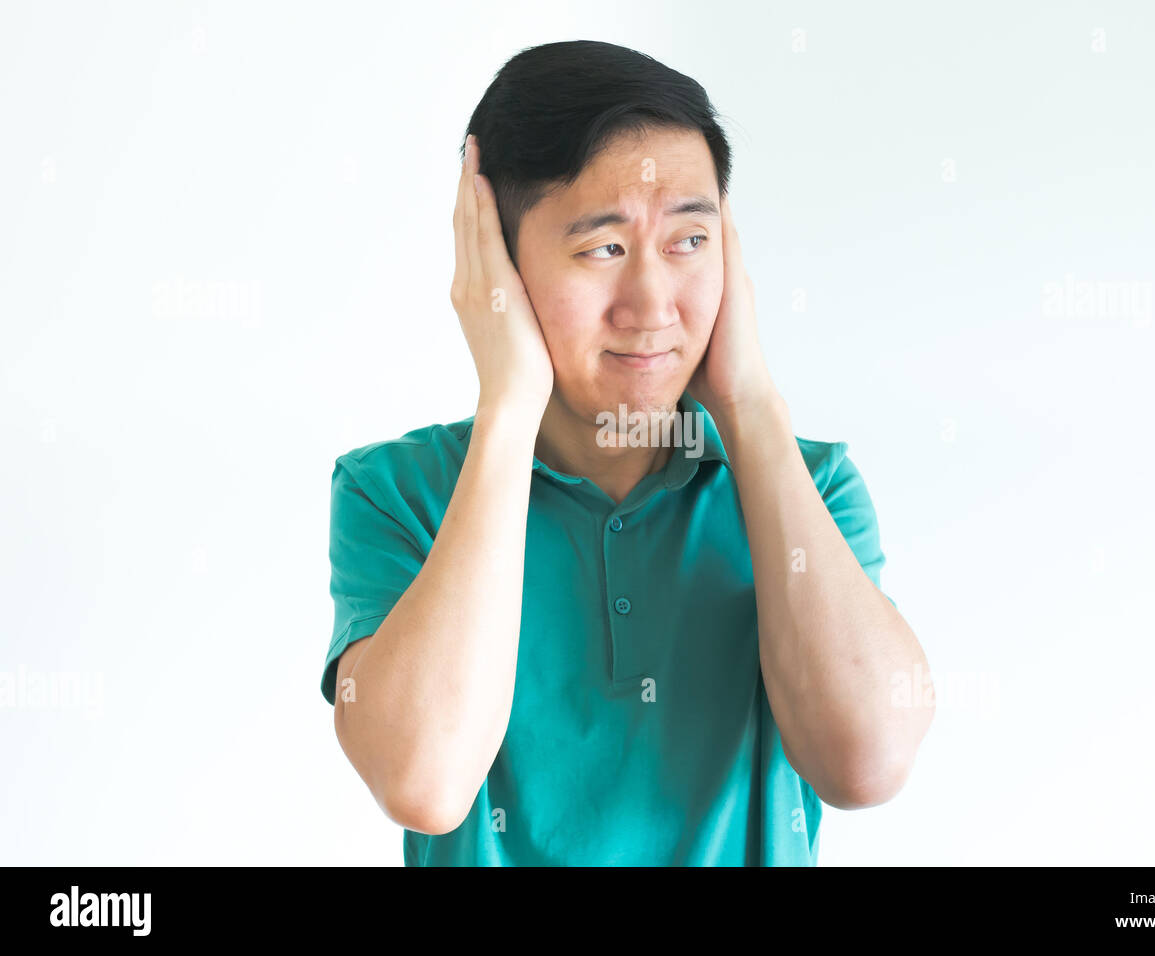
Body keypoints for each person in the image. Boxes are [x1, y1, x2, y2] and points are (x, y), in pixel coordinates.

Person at [320, 39, 934, 866]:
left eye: (689, 242)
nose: (653, 306)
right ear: (495, 260)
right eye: (603, 249)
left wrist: (750, 406)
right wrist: (507, 406)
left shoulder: (809, 484)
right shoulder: (394, 492)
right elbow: (424, 784)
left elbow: (867, 764)